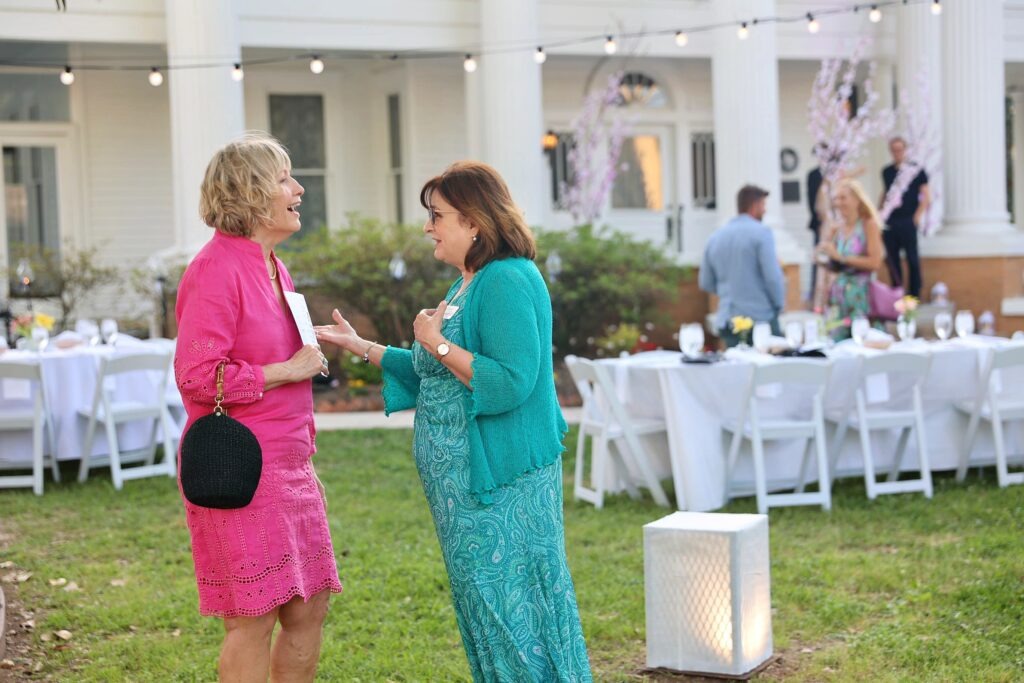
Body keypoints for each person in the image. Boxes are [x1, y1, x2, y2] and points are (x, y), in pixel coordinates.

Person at [315, 161, 592, 682]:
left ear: (474, 221)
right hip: (462, 492)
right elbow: (438, 372)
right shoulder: (468, 282)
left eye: (436, 216)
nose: (428, 227)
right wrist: (362, 345)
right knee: (485, 607)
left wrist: (437, 342)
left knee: (513, 607)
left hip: (500, 484)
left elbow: (510, 380)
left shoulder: (507, 279)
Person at [174, 132, 342, 682]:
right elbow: (197, 375)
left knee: (309, 608)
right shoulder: (215, 268)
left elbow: (276, 347)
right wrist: (285, 370)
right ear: (249, 193)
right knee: (252, 616)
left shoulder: (274, 265)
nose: (298, 189)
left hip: (292, 462)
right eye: (284, 179)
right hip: (241, 467)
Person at [699, 184, 786, 347]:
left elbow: (705, 282)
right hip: (761, 319)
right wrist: (778, 305)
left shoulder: (715, 237)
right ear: (755, 205)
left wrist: (729, 291)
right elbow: (773, 278)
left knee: (735, 363)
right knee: (772, 362)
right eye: (763, 205)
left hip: (728, 319)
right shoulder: (762, 233)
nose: (765, 210)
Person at [818, 178, 885, 339]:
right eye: (835, 198)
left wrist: (841, 257)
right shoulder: (837, 228)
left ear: (857, 200)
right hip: (838, 299)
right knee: (836, 345)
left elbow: (875, 262)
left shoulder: (868, 225)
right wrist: (823, 256)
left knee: (863, 344)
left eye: (843, 198)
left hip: (861, 299)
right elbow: (834, 264)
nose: (838, 203)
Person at [879, 136, 930, 298]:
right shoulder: (887, 172)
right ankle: (897, 294)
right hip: (891, 221)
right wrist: (880, 215)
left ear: (905, 150)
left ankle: (914, 294)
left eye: (900, 150)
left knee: (912, 259)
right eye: (894, 150)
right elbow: (885, 194)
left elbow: (926, 195)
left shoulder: (916, 170)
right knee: (893, 261)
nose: (897, 153)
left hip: (908, 220)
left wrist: (916, 217)